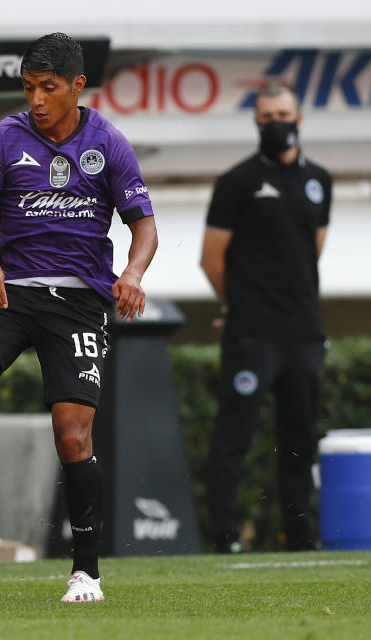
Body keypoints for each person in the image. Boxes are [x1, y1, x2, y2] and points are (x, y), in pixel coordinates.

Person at [0, 33, 158, 603]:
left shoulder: (108, 142)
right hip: (13, 293)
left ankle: (85, 571)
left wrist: (131, 275)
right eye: (29, 87)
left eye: (49, 87)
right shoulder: (4, 138)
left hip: (81, 302)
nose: (36, 99)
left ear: (77, 86)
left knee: (71, 433)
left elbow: (144, 225)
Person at [200, 79, 331, 554]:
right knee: (234, 437)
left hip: (304, 333)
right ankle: (226, 539)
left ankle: (301, 537)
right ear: (257, 121)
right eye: (267, 117)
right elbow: (211, 258)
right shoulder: (236, 182)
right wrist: (236, 304)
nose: (276, 123)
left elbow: (312, 251)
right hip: (252, 333)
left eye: (283, 115)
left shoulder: (321, 181)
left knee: (299, 440)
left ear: (299, 118)